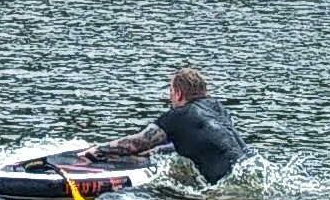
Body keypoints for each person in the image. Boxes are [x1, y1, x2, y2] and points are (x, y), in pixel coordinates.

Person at [82, 66, 250, 184]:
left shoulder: (179, 116)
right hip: (248, 168)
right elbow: (203, 143)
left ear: (178, 94)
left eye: (171, 92)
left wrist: (97, 150)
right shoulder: (217, 108)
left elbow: (136, 144)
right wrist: (152, 152)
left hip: (227, 183)